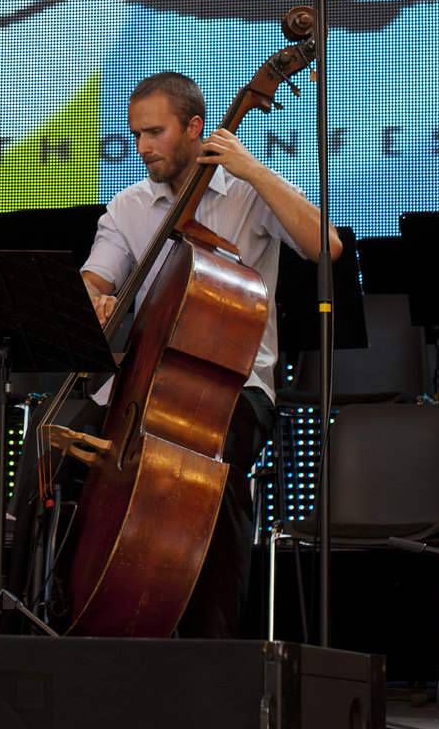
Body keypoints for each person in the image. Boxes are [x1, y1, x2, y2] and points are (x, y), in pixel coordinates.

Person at [77, 69, 343, 638]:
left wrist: (251, 167)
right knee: (59, 452)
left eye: (154, 133)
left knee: (212, 477)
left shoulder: (250, 193)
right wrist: (95, 301)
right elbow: (95, 279)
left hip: (235, 384)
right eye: (136, 134)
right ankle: (68, 610)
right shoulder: (129, 205)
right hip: (142, 383)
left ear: (196, 127)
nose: (142, 147)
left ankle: (214, 647)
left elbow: (327, 246)